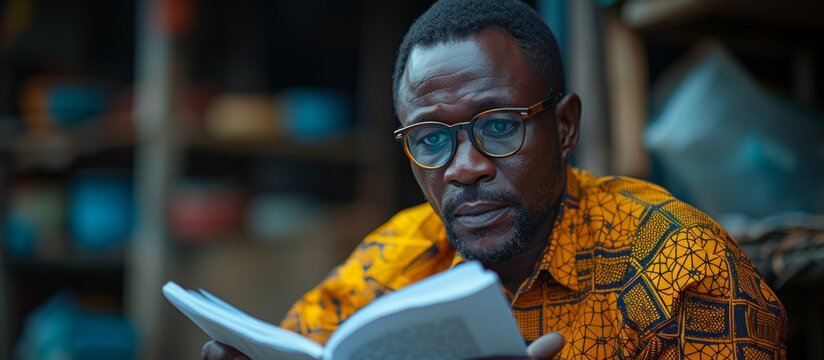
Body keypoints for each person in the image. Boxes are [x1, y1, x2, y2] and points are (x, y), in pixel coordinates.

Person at [203, 0, 788, 358]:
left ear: (564, 127)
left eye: (501, 127)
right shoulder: (395, 263)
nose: (464, 167)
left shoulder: (678, 268)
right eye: (431, 139)